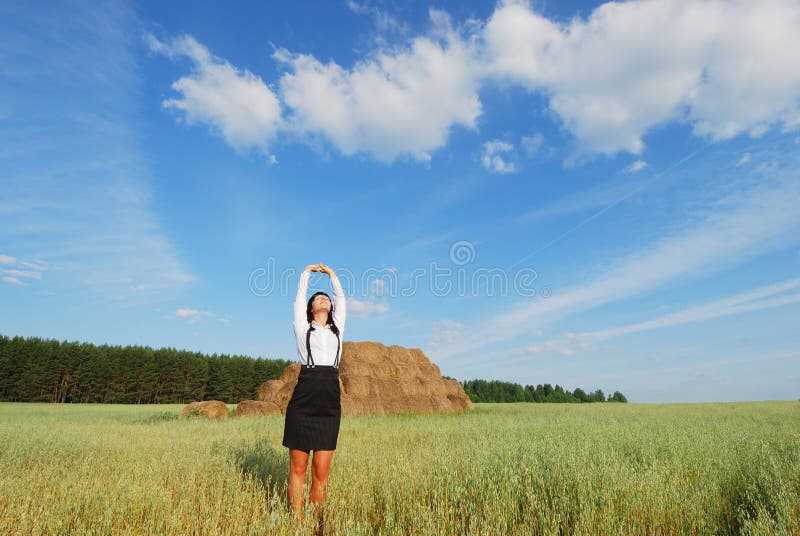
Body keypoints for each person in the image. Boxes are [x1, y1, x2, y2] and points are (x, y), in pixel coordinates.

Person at [282, 262, 346, 523]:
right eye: (318, 298)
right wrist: (306, 273)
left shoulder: (338, 328)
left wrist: (331, 275)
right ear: (310, 308)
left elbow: (341, 298)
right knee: (298, 467)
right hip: (304, 398)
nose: (324, 299)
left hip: (329, 401)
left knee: (321, 472)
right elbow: (298, 298)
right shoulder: (302, 328)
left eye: (326, 298)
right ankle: (297, 522)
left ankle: (315, 521)